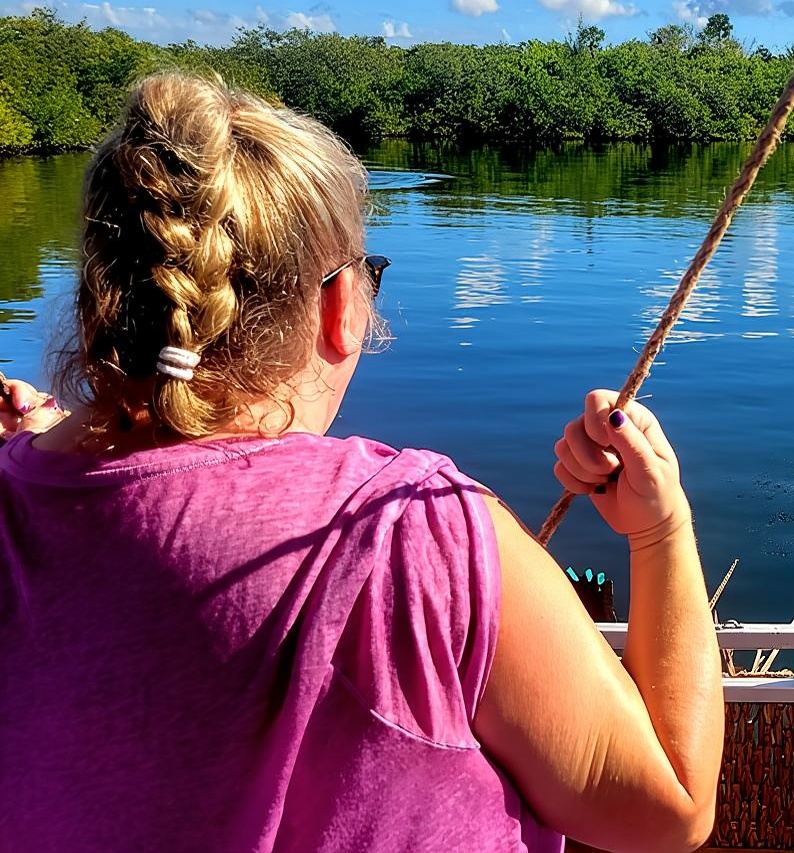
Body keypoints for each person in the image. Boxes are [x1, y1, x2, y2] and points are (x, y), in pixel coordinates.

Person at [0, 74, 723, 852]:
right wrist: (660, 528)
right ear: (341, 305)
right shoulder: (410, 531)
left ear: (101, 305)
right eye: (369, 272)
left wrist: (38, 440)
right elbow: (669, 812)